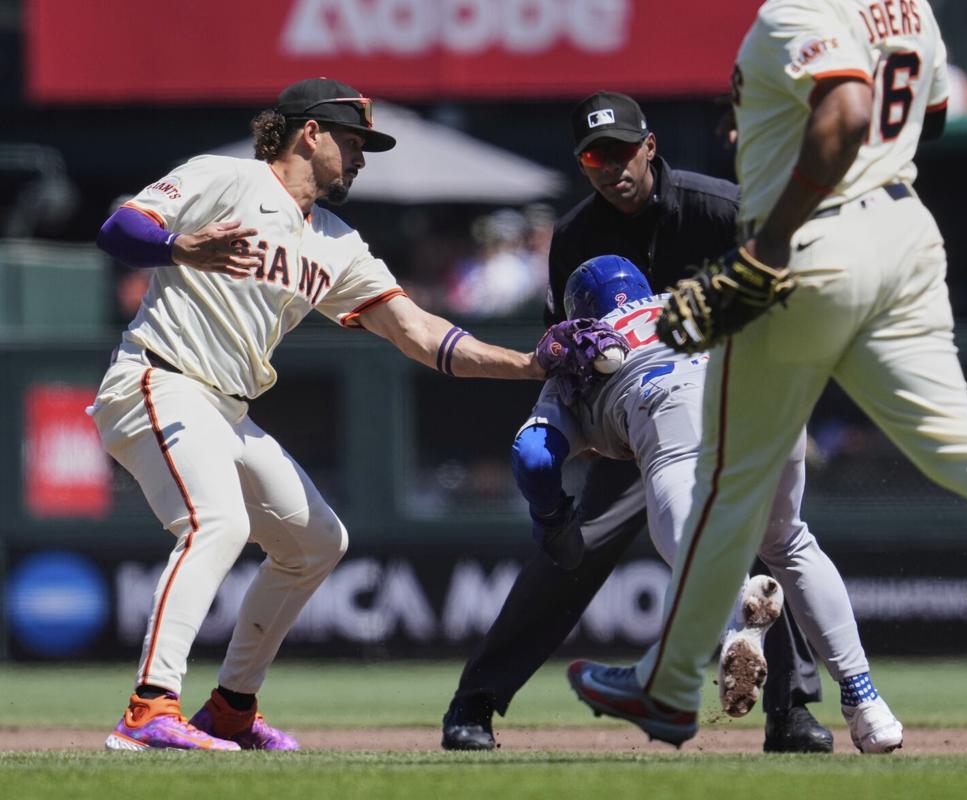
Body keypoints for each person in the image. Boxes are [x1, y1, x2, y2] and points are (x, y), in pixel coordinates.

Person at [569, 0, 967, 747]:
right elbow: (925, 116)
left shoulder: (795, 11)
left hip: (809, 241)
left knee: (732, 479)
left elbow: (845, 110)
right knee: (957, 441)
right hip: (904, 235)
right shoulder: (909, 10)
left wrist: (768, 243)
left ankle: (667, 686)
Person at [90, 77, 598, 752]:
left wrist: (530, 363)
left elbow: (419, 333)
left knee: (317, 544)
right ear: (310, 133)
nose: (360, 157)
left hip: (225, 409)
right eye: (352, 141)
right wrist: (180, 248)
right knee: (217, 523)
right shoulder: (226, 179)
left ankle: (232, 708)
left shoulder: (334, 242)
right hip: (158, 377)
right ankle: (149, 709)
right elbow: (120, 227)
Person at [442, 91, 837, 754]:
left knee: (765, 542)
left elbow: (792, 298)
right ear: (581, 160)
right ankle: (474, 703)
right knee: (569, 551)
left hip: (724, 407)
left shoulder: (720, 209)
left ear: (649, 146)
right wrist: (583, 420)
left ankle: (791, 710)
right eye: (596, 154)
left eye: (623, 150)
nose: (611, 165)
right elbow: (561, 344)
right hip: (629, 421)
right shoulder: (575, 237)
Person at [542, 256, 903, 750]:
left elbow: (533, 456)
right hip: (770, 399)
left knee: (695, 550)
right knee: (790, 540)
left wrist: (552, 515)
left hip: (675, 421)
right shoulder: (686, 298)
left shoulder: (581, 348)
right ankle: (868, 707)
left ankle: (738, 610)